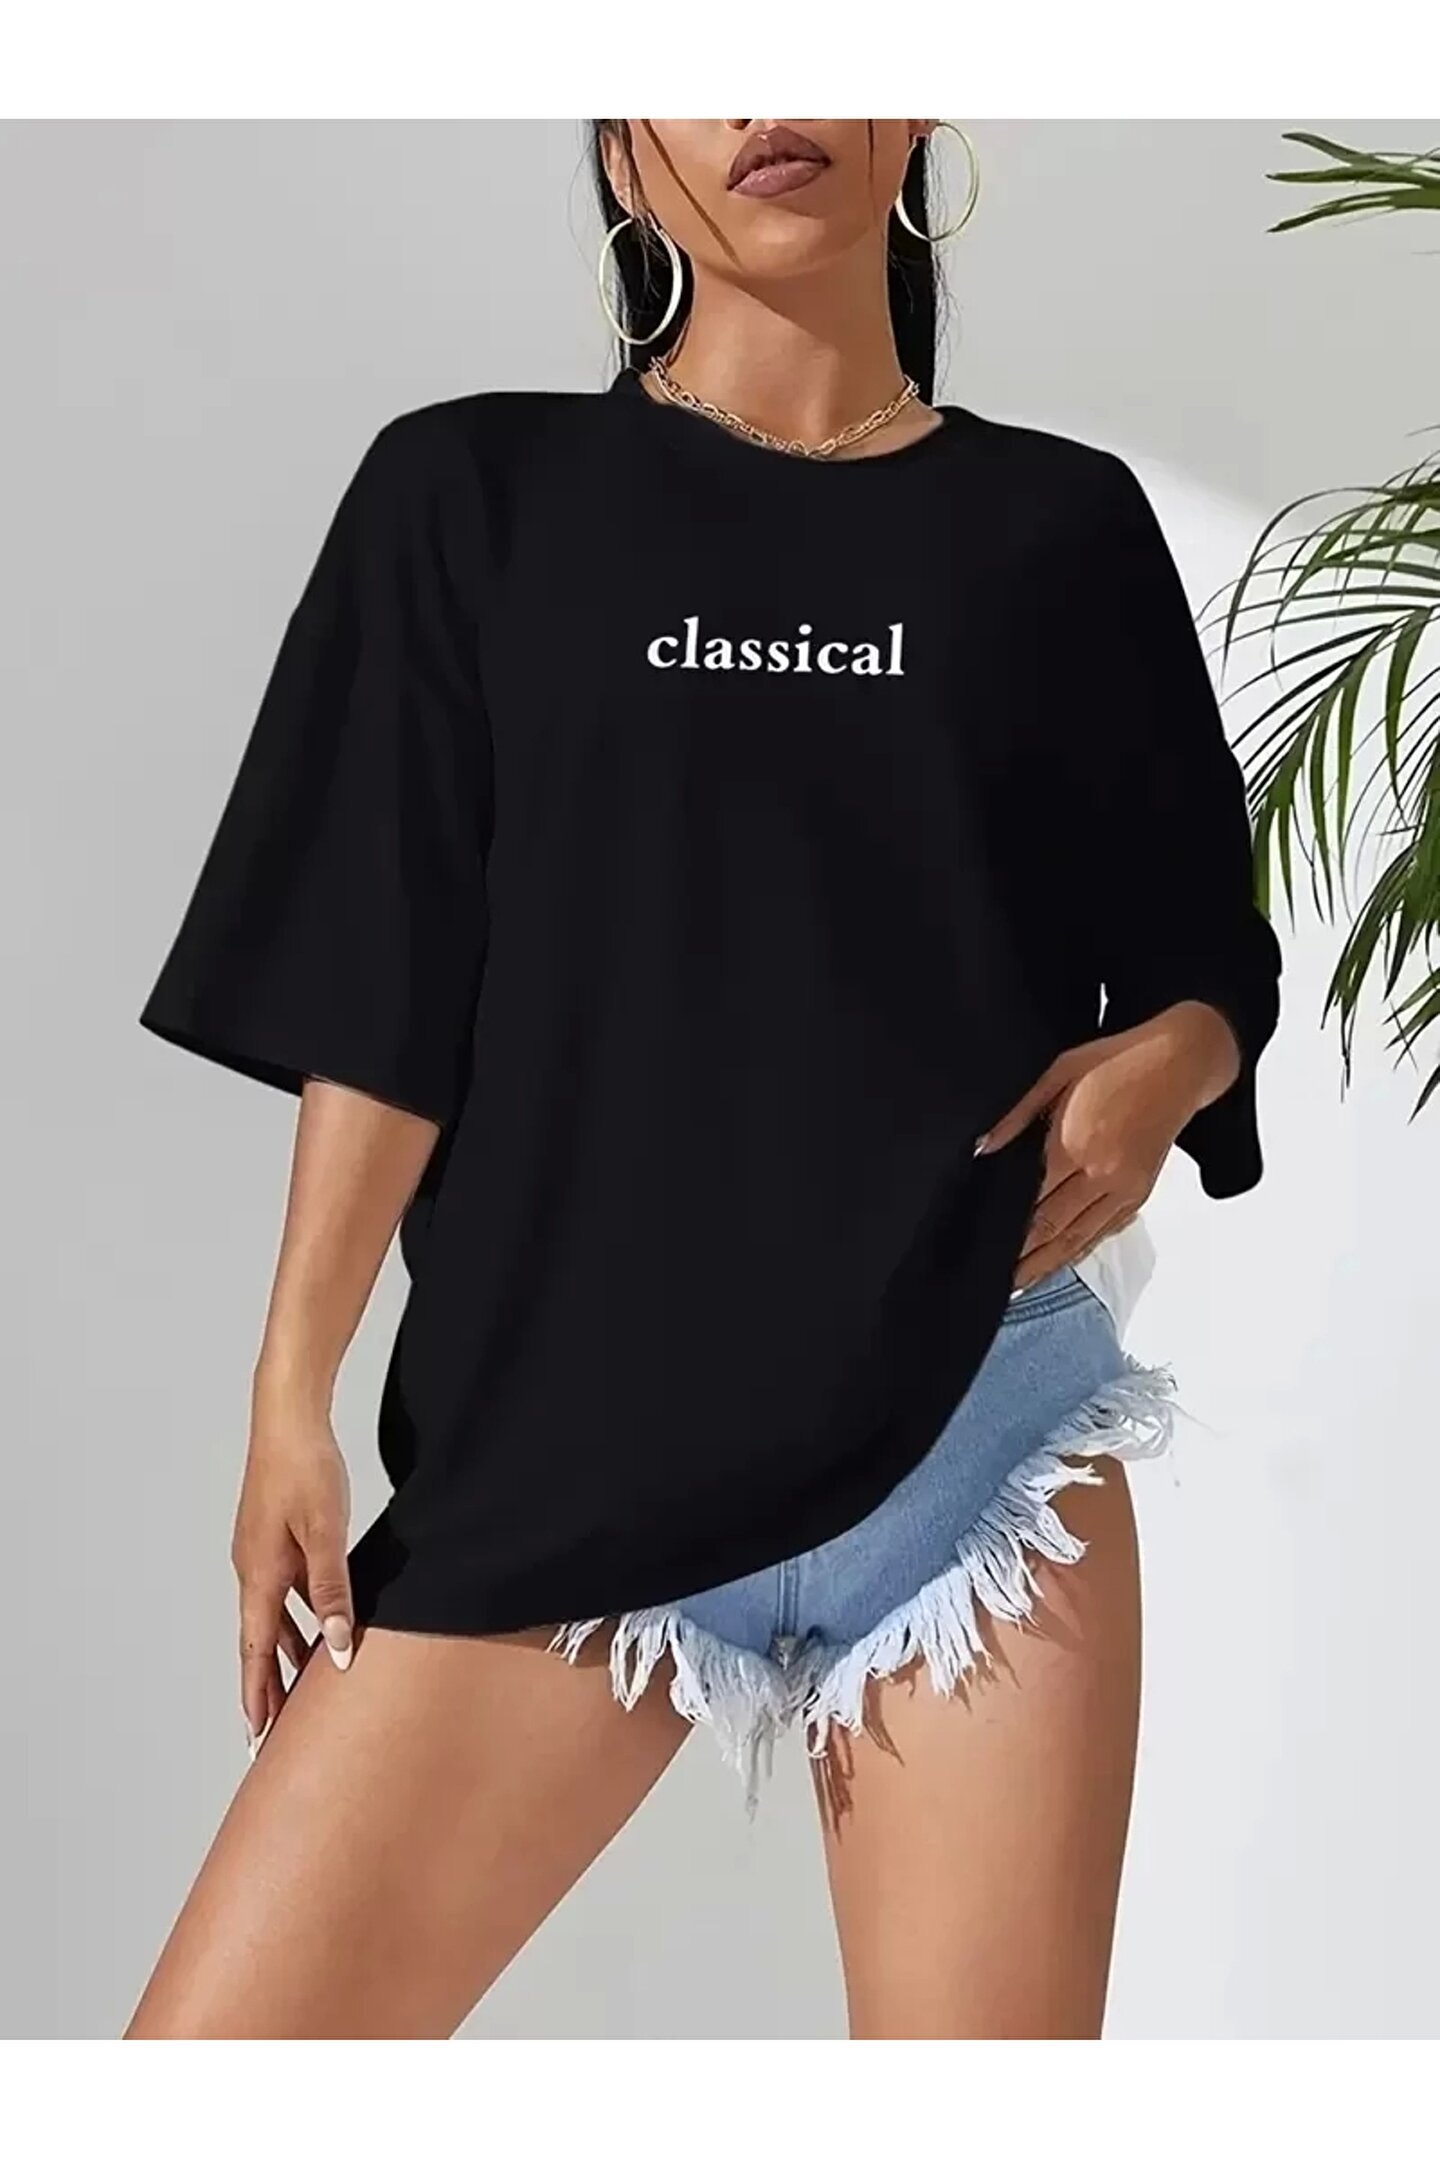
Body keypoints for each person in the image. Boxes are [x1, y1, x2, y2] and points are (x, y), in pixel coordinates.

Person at [126, 119, 1282, 2040]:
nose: (770, 99)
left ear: (918, 120)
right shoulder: (472, 493)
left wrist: (1175, 1057)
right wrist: (289, 1396)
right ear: (617, 152)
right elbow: (382, 982)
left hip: (974, 1438)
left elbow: (1198, 940)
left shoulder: (1058, 526)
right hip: (563, 1449)